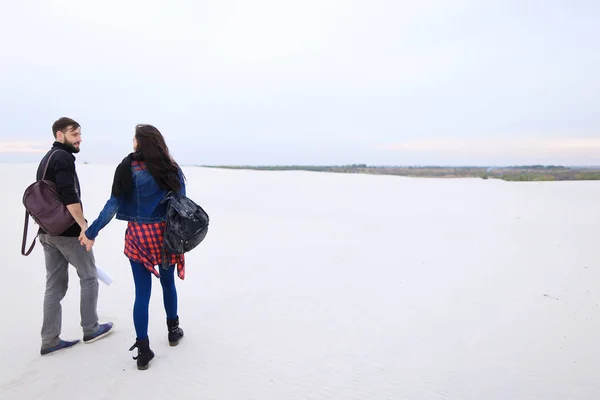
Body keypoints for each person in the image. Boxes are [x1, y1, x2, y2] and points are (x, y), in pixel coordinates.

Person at [80, 124, 186, 371]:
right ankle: (173, 331)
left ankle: (143, 350)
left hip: (138, 235)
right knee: (168, 283)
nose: (132, 143)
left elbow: (113, 205)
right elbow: (182, 204)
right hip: (165, 234)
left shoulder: (126, 166)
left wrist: (91, 231)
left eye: (134, 139)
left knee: (142, 293)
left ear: (140, 143)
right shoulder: (170, 168)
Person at [37, 117, 114, 356]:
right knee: (89, 276)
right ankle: (91, 329)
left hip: (46, 231)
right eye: (74, 134)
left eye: (80, 134)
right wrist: (83, 226)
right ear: (60, 135)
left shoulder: (47, 158)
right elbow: (70, 196)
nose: (79, 139)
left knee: (54, 285)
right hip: (66, 232)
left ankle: (49, 340)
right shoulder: (63, 158)